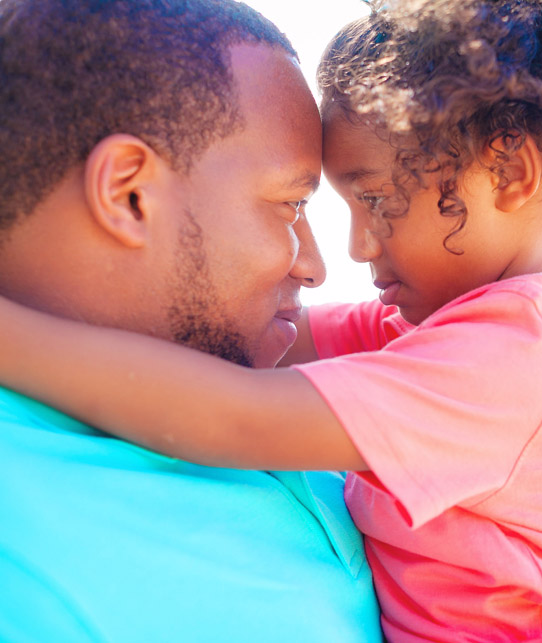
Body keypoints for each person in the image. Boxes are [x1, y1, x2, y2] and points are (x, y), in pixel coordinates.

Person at [0, 0, 542, 640]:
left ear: (509, 174)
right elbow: (275, 359)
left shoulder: (517, 350)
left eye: (377, 201)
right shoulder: (430, 336)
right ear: (128, 194)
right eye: (298, 205)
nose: (347, 251)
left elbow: (240, 414)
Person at [0, 1, 382, 641]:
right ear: (130, 194)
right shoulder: (26, 570)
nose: (316, 267)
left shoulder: (284, 410)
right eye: (291, 205)